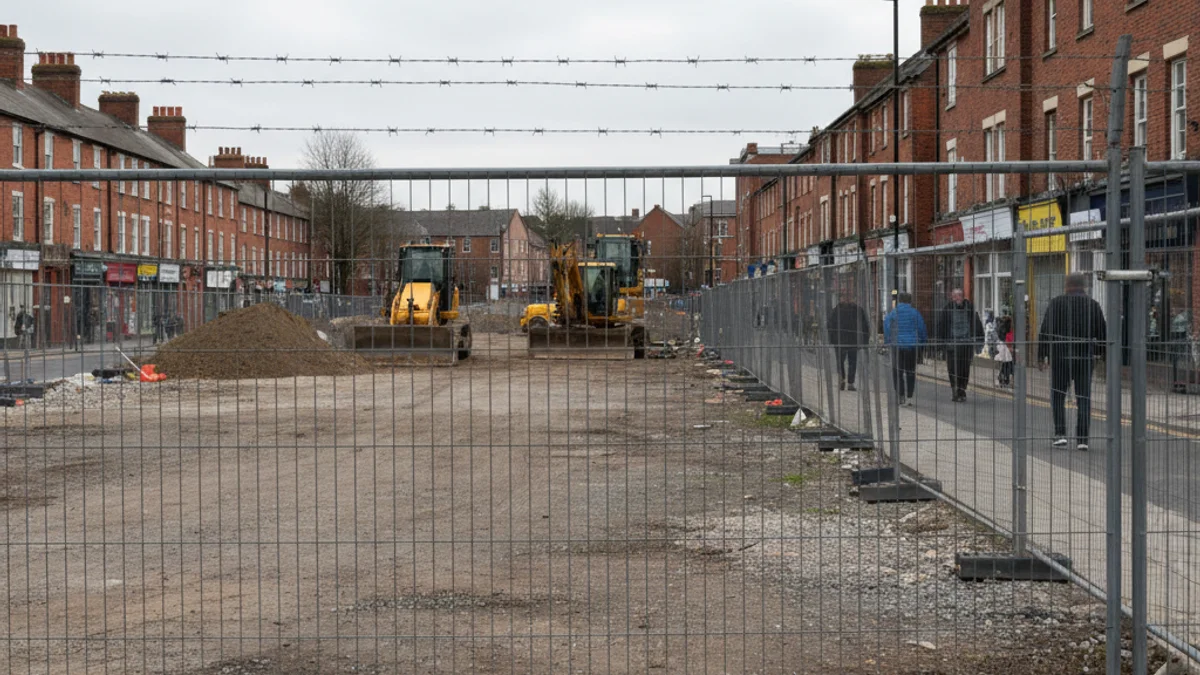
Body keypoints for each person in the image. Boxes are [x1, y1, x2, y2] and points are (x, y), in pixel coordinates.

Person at [1037, 273, 1107, 451]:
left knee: (1058, 396)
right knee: (1083, 398)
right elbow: (1102, 333)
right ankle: (1082, 439)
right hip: (1084, 357)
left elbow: (1045, 330)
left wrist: (1042, 355)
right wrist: (1100, 354)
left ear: (1067, 285)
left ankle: (1060, 434)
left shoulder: (1056, 303)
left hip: (1060, 357)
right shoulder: (1092, 305)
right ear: (1083, 286)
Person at [935, 288, 985, 402]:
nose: (957, 298)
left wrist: (979, 341)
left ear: (963, 297)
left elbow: (977, 325)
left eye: (959, 296)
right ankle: (955, 390)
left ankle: (962, 389)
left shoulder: (970, 308)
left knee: (964, 369)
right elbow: (941, 326)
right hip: (952, 345)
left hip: (966, 345)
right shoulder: (947, 309)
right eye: (954, 296)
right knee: (952, 369)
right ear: (952, 298)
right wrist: (940, 344)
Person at [883, 292, 927, 407]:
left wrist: (888, 341)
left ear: (899, 301)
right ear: (910, 301)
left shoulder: (893, 313)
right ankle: (910, 397)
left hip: (896, 346)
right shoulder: (915, 313)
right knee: (910, 372)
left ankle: (900, 395)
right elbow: (922, 328)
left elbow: (887, 327)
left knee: (897, 372)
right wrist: (922, 343)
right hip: (911, 347)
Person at [828, 290, 870, 391]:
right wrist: (864, 341)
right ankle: (846, 381)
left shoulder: (837, 310)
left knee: (846, 361)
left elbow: (830, 326)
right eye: (845, 297)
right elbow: (865, 327)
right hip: (849, 340)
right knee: (848, 361)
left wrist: (832, 339)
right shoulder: (857, 310)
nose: (847, 299)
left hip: (845, 341)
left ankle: (846, 381)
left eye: (849, 297)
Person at [996, 314, 1015, 387]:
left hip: (1005, 347)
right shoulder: (1005, 326)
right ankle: (1005, 380)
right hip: (1005, 347)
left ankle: (1003, 379)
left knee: (1007, 364)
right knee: (1008, 364)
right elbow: (1004, 338)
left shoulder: (1003, 326)